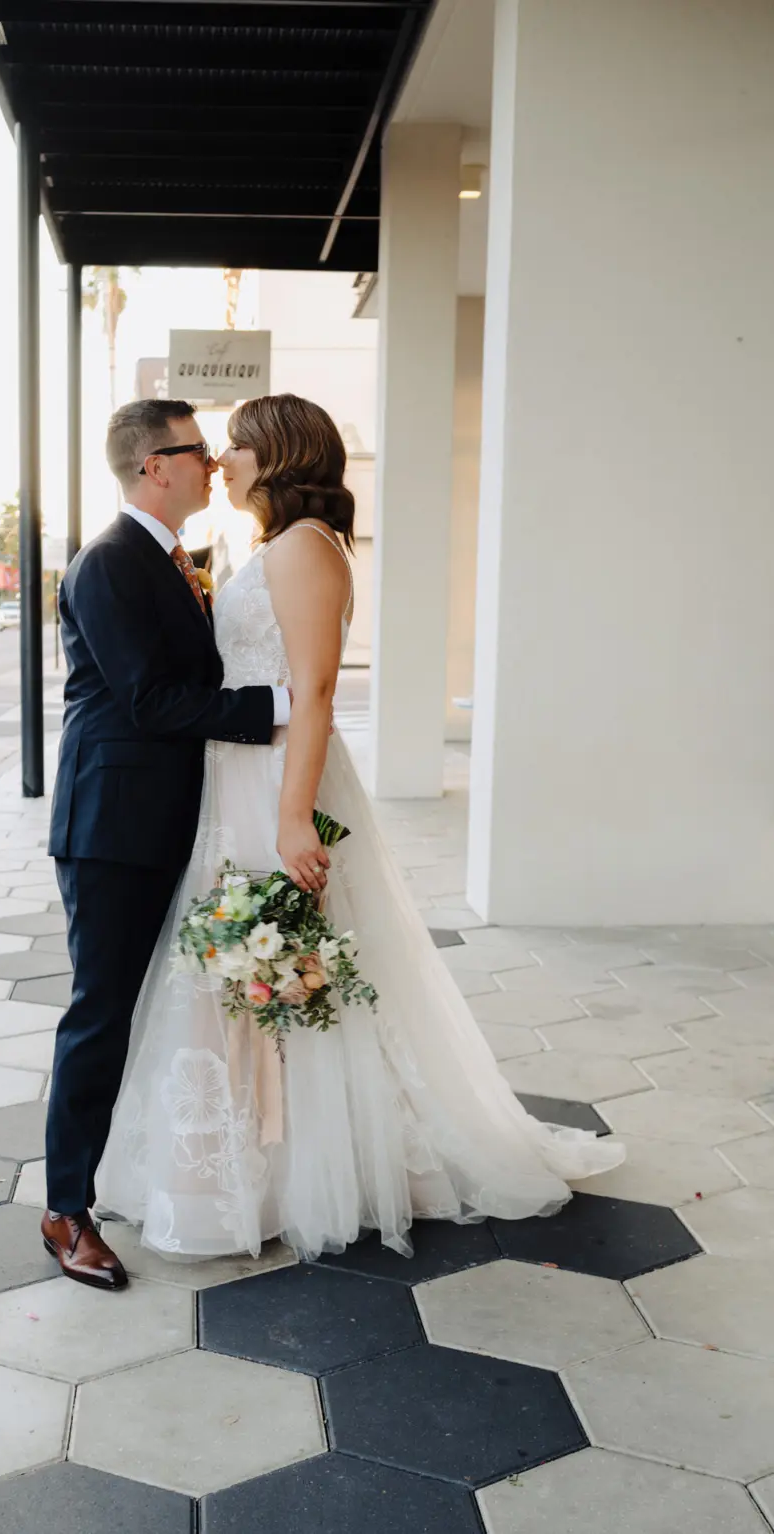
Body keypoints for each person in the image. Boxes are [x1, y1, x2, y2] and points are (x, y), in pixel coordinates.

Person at [94, 393, 624, 1262]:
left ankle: (307, 1167)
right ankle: (243, 1166)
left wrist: (294, 814)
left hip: (277, 781)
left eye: (237, 446)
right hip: (238, 780)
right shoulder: (275, 546)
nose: (223, 461)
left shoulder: (305, 550)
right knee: (250, 974)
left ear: (279, 456)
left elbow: (317, 694)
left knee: (282, 966)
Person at [43, 399, 294, 1291]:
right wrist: (279, 710)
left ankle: (126, 1176)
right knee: (101, 1013)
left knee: (147, 1008)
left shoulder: (170, 557)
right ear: (156, 464)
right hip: (113, 827)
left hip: (168, 817)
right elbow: (152, 701)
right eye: (199, 449)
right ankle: (64, 1210)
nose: (215, 462)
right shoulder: (110, 562)